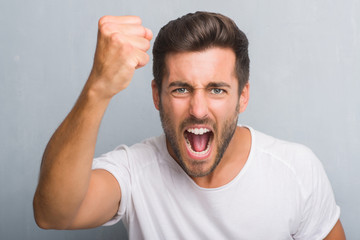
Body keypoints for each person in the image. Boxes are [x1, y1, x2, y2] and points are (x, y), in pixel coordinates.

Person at [33, 11, 346, 239]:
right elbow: (52, 213)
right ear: (157, 95)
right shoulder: (134, 172)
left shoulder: (296, 170)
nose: (198, 110)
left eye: (217, 89)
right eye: (180, 89)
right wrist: (98, 88)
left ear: (242, 97)